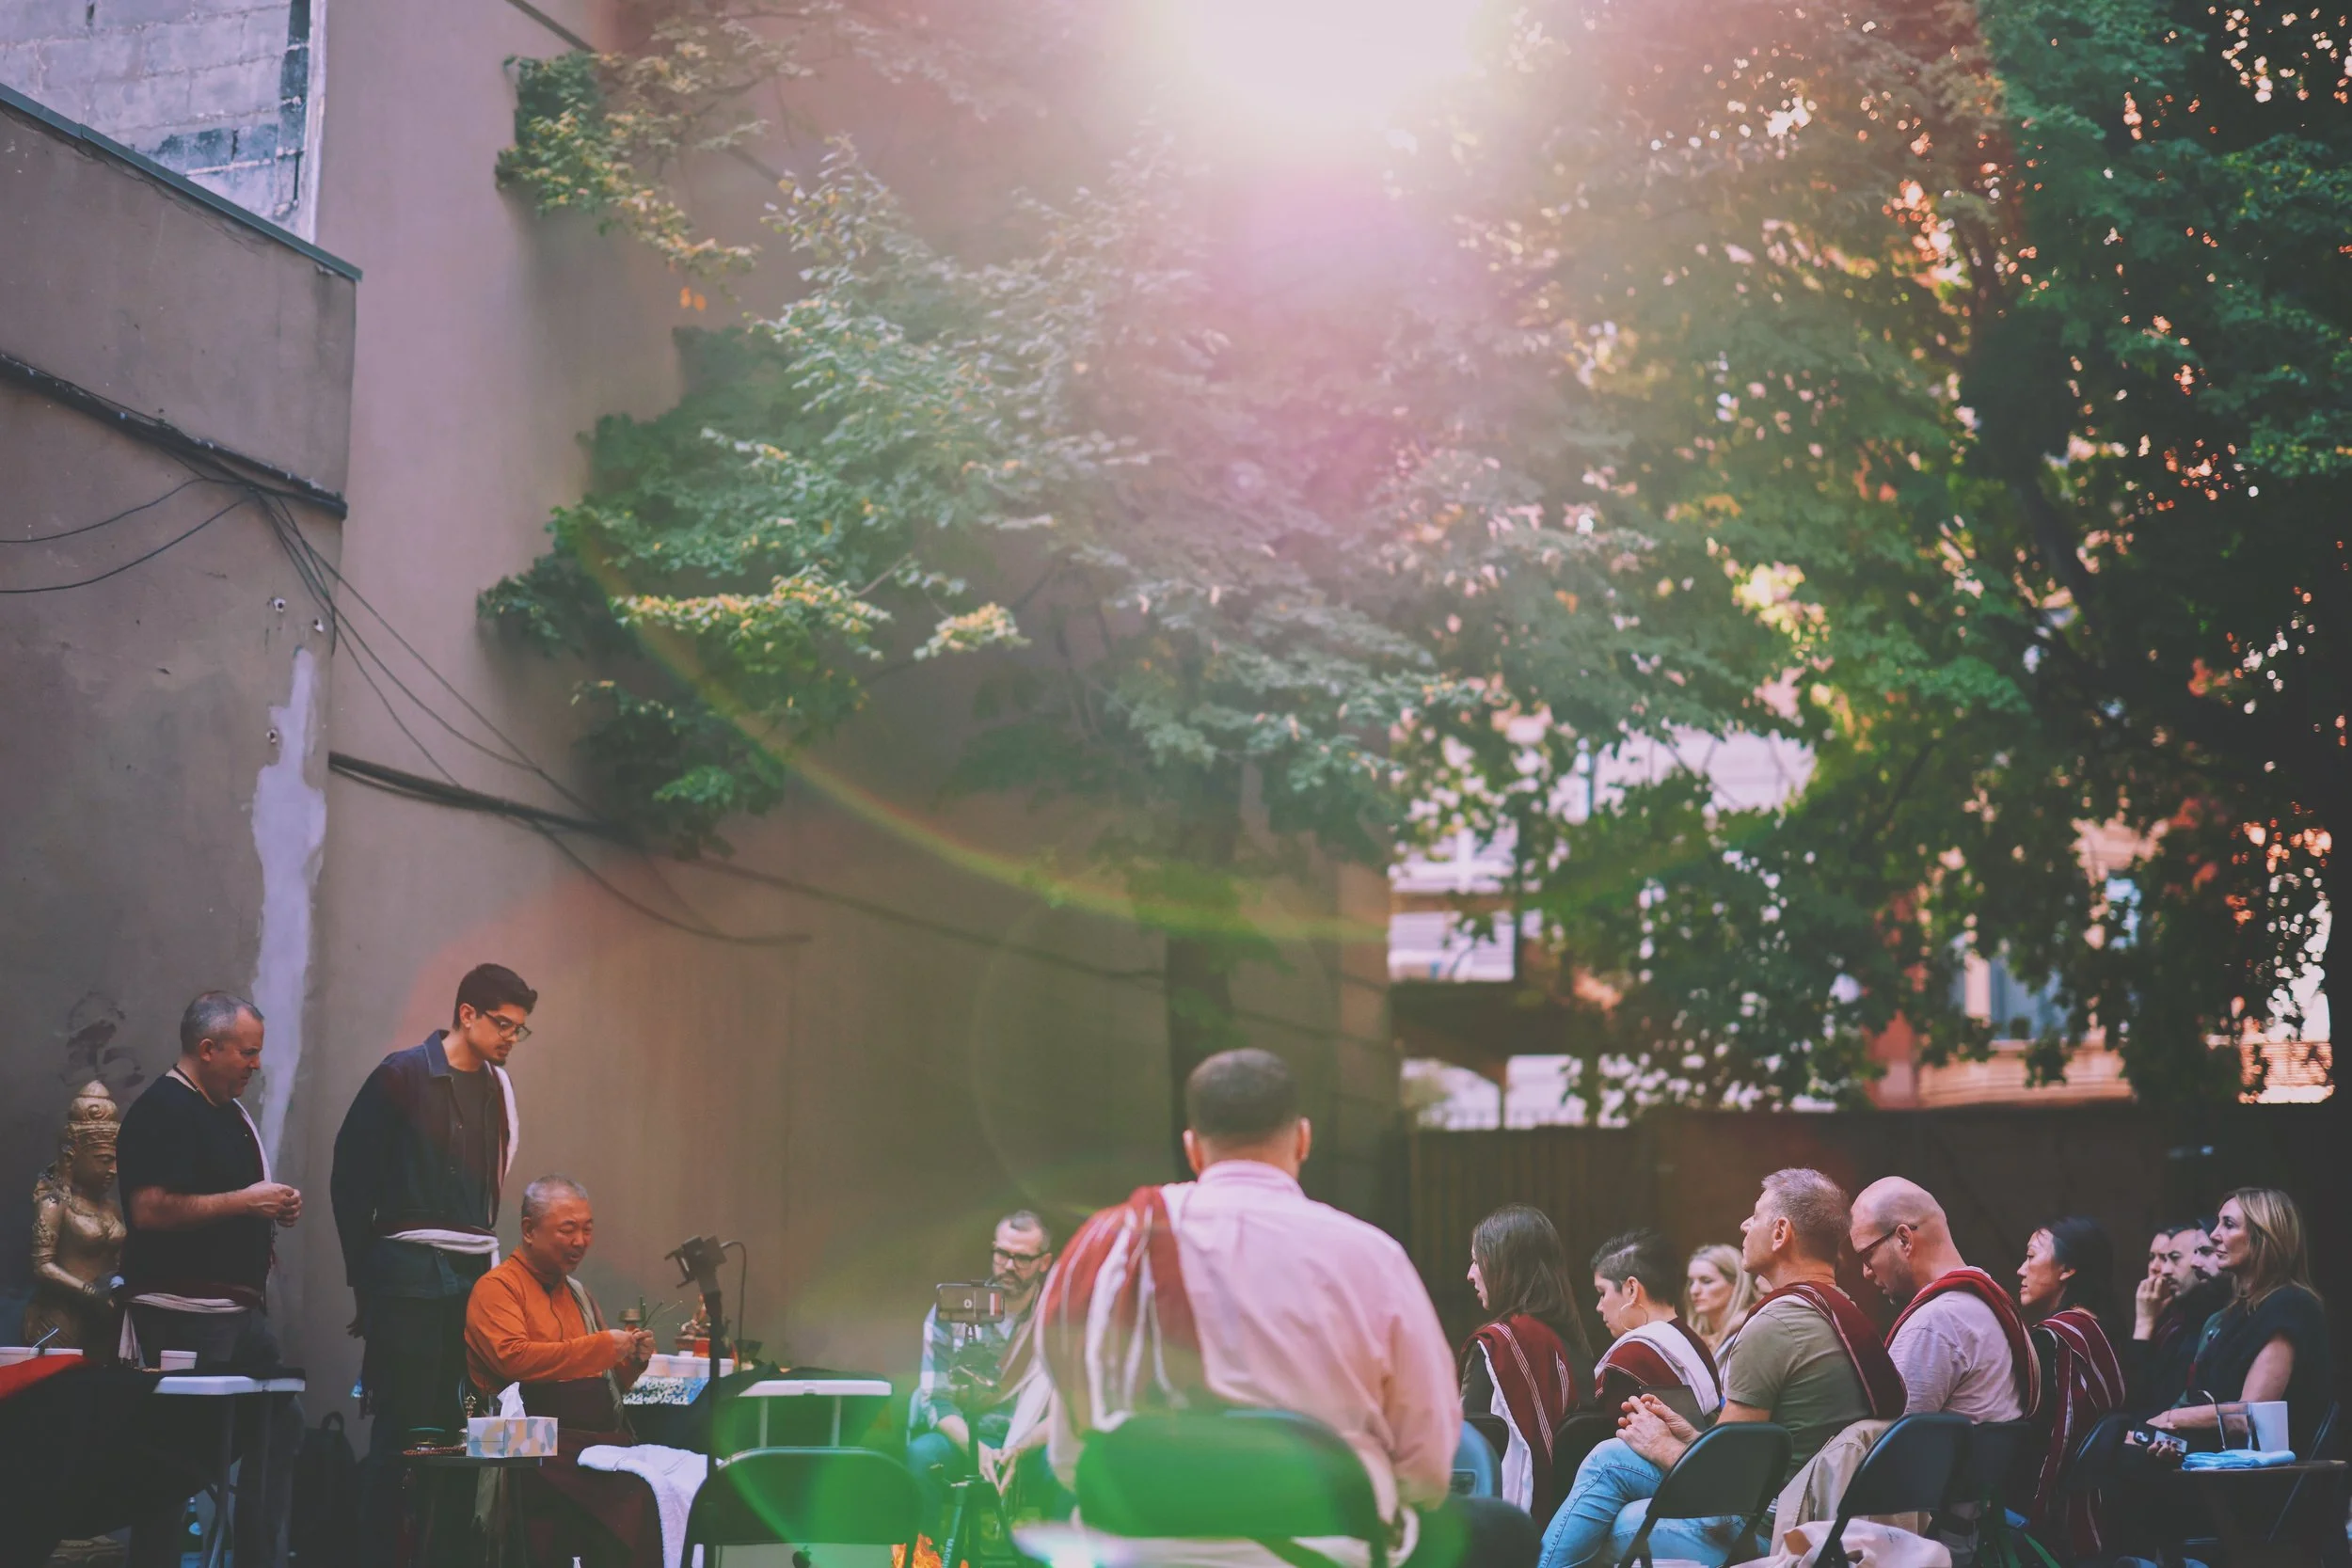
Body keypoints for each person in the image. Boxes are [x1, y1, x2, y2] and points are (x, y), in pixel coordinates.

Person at [1040, 1048, 1534, 1568]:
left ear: (1192, 1148)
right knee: (1506, 1530)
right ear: (1302, 1139)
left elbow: (1070, 1460)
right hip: (1330, 1549)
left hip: (1137, 1546)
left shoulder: (1115, 1246)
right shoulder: (1370, 1256)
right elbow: (1427, 1471)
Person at [1537, 1169, 1901, 1568]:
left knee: (1610, 1466)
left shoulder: (1775, 1324)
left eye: (1756, 1215)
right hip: (1824, 1516)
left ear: (1780, 1233)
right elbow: (1759, 1450)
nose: (1744, 1225)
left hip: (1775, 1527)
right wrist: (1691, 1436)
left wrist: (1664, 1446)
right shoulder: (1847, 1312)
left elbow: (1727, 1481)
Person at [332, 962, 534, 1568]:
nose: (511, 1038)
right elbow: (351, 1180)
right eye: (503, 1024)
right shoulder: (401, 1075)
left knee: (461, 1428)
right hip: (406, 1276)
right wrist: (367, 1281)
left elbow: (492, 1188)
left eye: (520, 1029)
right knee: (402, 1430)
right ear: (466, 1014)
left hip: (472, 1277)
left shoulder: (498, 1088)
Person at [119, 992, 305, 1568]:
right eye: (247, 1053)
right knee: (172, 1456)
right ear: (207, 1048)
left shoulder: (229, 1113)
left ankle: (256, 1556)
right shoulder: (162, 1110)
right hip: (179, 1315)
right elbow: (149, 1209)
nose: (256, 1065)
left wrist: (271, 1206)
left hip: (239, 1315)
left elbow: (236, 1199)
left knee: (280, 1421)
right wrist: (246, 1202)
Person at [465, 1175, 660, 1568]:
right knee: (634, 1495)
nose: (580, 1241)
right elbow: (513, 1360)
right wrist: (602, 1347)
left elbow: (602, 1387)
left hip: (594, 1444)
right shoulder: (497, 1288)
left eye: (587, 1229)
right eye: (568, 1229)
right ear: (529, 1230)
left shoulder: (578, 1293)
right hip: (536, 1448)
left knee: (659, 1486)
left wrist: (631, 1362)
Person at [906, 1209, 1058, 1531]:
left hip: (1034, 1444)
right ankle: (925, 1556)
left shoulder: (1060, 1317)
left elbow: (1071, 1411)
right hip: (967, 1438)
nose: (1009, 1266)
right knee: (920, 1457)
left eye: (1022, 1258)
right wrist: (978, 1451)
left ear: (1044, 1262)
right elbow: (937, 1400)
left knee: (1075, 1470)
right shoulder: (952, 1311)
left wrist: (1020, 1448)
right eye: (1002, 1254)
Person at [2150, 1187, 2334, 1452]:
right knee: (2119, 1441)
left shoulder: (2290, 1305)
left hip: (2265, 1468)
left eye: (2228, 1225)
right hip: (2214, 1457)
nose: (2215, 1235)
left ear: (2264, 1237)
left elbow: (2251, 1411)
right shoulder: (2234, 1314)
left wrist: (2173, 1417)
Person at [1849, 1178, 2032, 1423]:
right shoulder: (1990, 1302)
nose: (1866, 1272)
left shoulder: (1934, 1324)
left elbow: (1884, 1439)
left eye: (1867, 1255)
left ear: (1904, 1239)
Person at [1459, 1205, 1591, 1520]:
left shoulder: (1499, 1346)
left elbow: (1464, 1457)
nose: (1470, 1274)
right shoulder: (1575, 1347)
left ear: (1504, 1265)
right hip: (1572, 1518)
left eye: (1477, 1261)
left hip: (1506, 1525)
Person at [2014, 1217, 2125, 1559]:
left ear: (2067, 1269)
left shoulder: (2053, 1340)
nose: (2021, 1270)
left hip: (2052, 1521)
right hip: (2108, 1511)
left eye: (2031, 1257)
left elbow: (2033, 1445)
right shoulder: (2110, 1332)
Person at [1589, 1229, 1721, 1416]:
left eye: (1602, 1293)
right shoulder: (1696, 1344)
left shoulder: (1629, 1358)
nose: (1599, 1307)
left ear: (1632, 1289)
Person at [2127, 1219, 2230, 1417]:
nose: (2162, 1269)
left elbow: (2154, 1398)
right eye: (2153, 1258)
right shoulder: (2171, 1316)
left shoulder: (2209, 1319)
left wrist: (2144, 1324)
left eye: (2173, 1258)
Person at [1683, 1243, 1756, 1356]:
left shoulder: (1750, 1329)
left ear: (1735, 1283)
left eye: (1706, 1281)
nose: (1694, 1290)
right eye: (1691, 1282)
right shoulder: (1695, 1338)